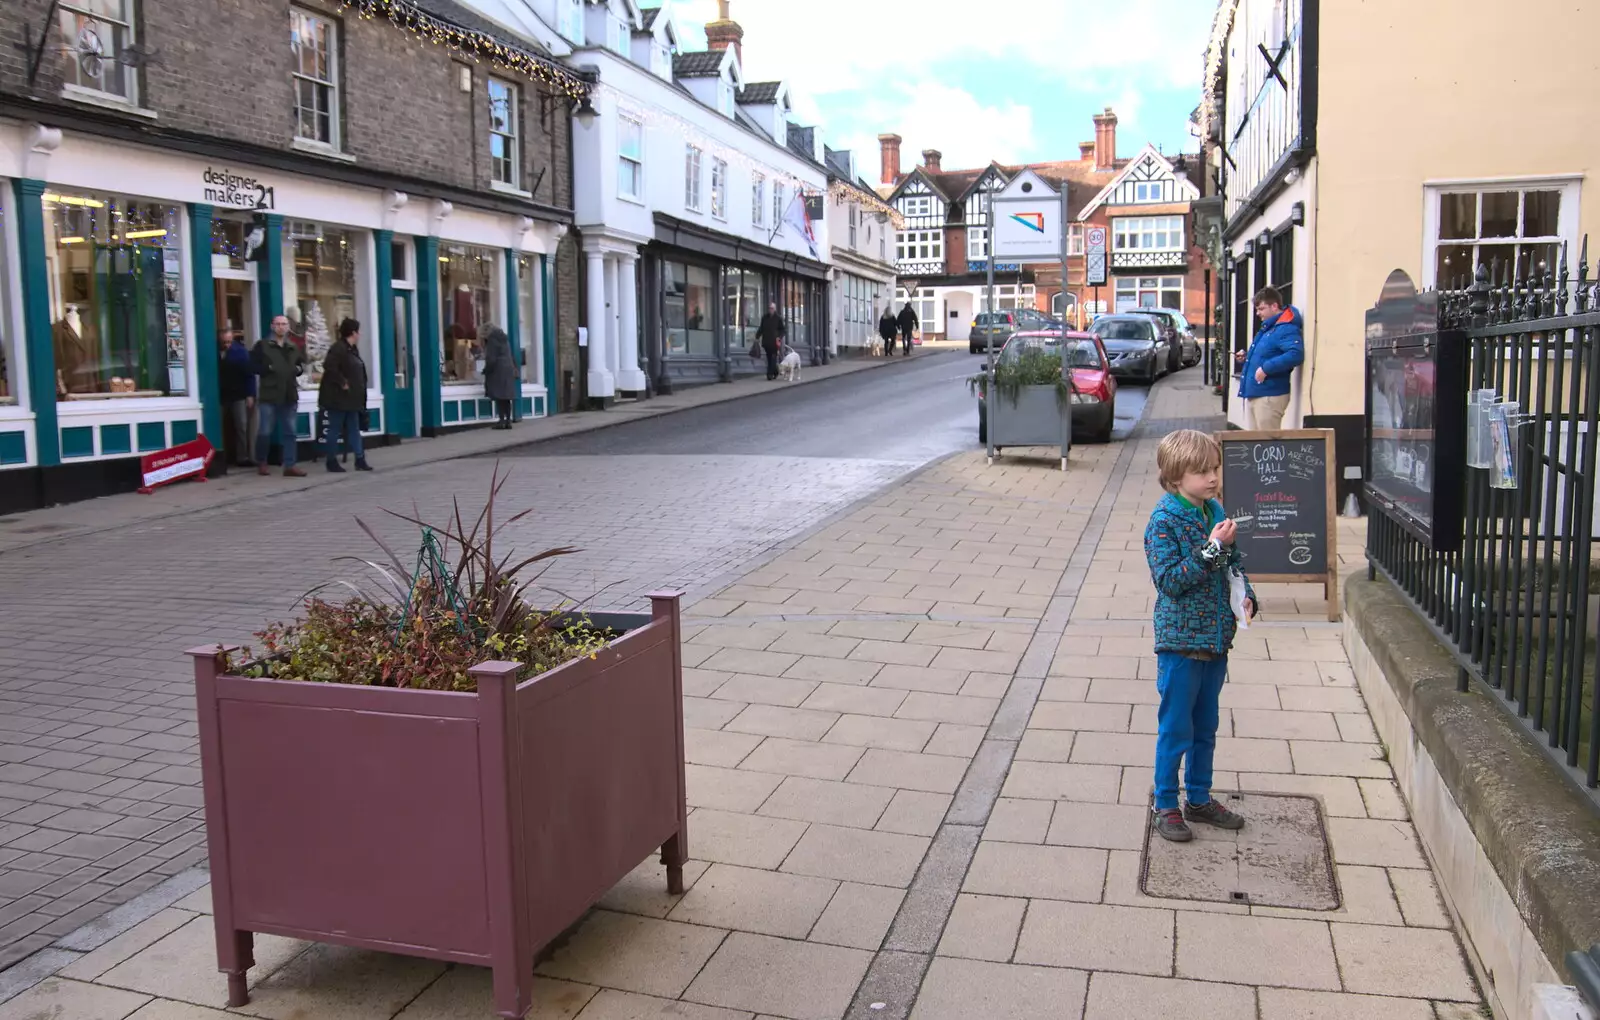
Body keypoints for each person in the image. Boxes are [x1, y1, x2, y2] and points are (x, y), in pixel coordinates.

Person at [1144, 430, 1257, 843]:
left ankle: (1198, 797)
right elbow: (1171, 581)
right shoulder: (1164, 522)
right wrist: (1211, 548)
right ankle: (1167, 804)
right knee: (1176, 728)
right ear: (1175, 477)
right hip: (1180, 643)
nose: (1212, 478)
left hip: (1215, 639)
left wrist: (1248, 599)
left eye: (1215, 468)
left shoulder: (1213, 510)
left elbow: (1234, 565)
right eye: (1201, 472)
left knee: (1206, 725)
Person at [1235, 286, 1304, 430]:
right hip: (1258, 394)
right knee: (1256, 444)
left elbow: (1295, 354)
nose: (1258, 313)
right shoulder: (1270, 328)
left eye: (1261, 309)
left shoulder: (1285, 328)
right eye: (1257, 309)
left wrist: (1266, 368)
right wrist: (1246, 358)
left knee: (1268, 447)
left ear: (1274, 306)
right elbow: (1269, 353)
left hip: (1269, 396)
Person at [252, 314, 307, 477]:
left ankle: (290, 465)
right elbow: (252, 366)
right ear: (272, 326)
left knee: (290, 431)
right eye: (278, 324)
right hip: (269, 394)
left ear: (288, 327)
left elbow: (300, 364)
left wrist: (299, 370)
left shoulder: (292, 346)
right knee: (265, 431)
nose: (281, 327)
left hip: (289, 394)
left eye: (284, 324)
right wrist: (267, 368)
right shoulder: (262, 345)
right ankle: (262, 461)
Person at [318, 318, 371, 473]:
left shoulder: (351, 349)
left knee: (354, 428)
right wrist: (342, 382)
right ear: (353, 333)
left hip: (352, 399)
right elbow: (329, 366)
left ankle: (360, 459)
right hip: (338, 398)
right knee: (334, 429)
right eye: (358, 331)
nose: (359, 334)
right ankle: (331, 461)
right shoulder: (338, 348)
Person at [218, 328, 257, 468]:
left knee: (241, 425)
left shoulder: (240, 352)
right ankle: (221, 455)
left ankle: (242, 457)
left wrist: (250, 394)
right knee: (219, 426)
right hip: (220, 395)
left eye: (229, 341)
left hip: (238, 394)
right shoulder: (214, 351)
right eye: (224, 342)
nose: (227, 345)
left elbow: (249, 374)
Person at [482, 325, 518, 430]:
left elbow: (491, 359)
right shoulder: (504, 339)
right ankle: (508, 421)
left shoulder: (492, 340)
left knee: (499, 397)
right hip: (508, 369)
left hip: (498, 370)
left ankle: (501, 421)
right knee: (506, 397)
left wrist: (486, 370)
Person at [757, 301, 786, 381]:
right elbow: (761, 328)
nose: (771, 310)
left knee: (773, 357)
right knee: (769, 357)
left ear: (775, 309)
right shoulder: (764, 317)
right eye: (770, 308)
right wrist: (757, 337)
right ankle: (775, 371)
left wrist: (779, 337)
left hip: (774, 342)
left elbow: (783, 330)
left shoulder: (778, 318)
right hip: (766, 341)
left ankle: (769, 374)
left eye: (772, 308)